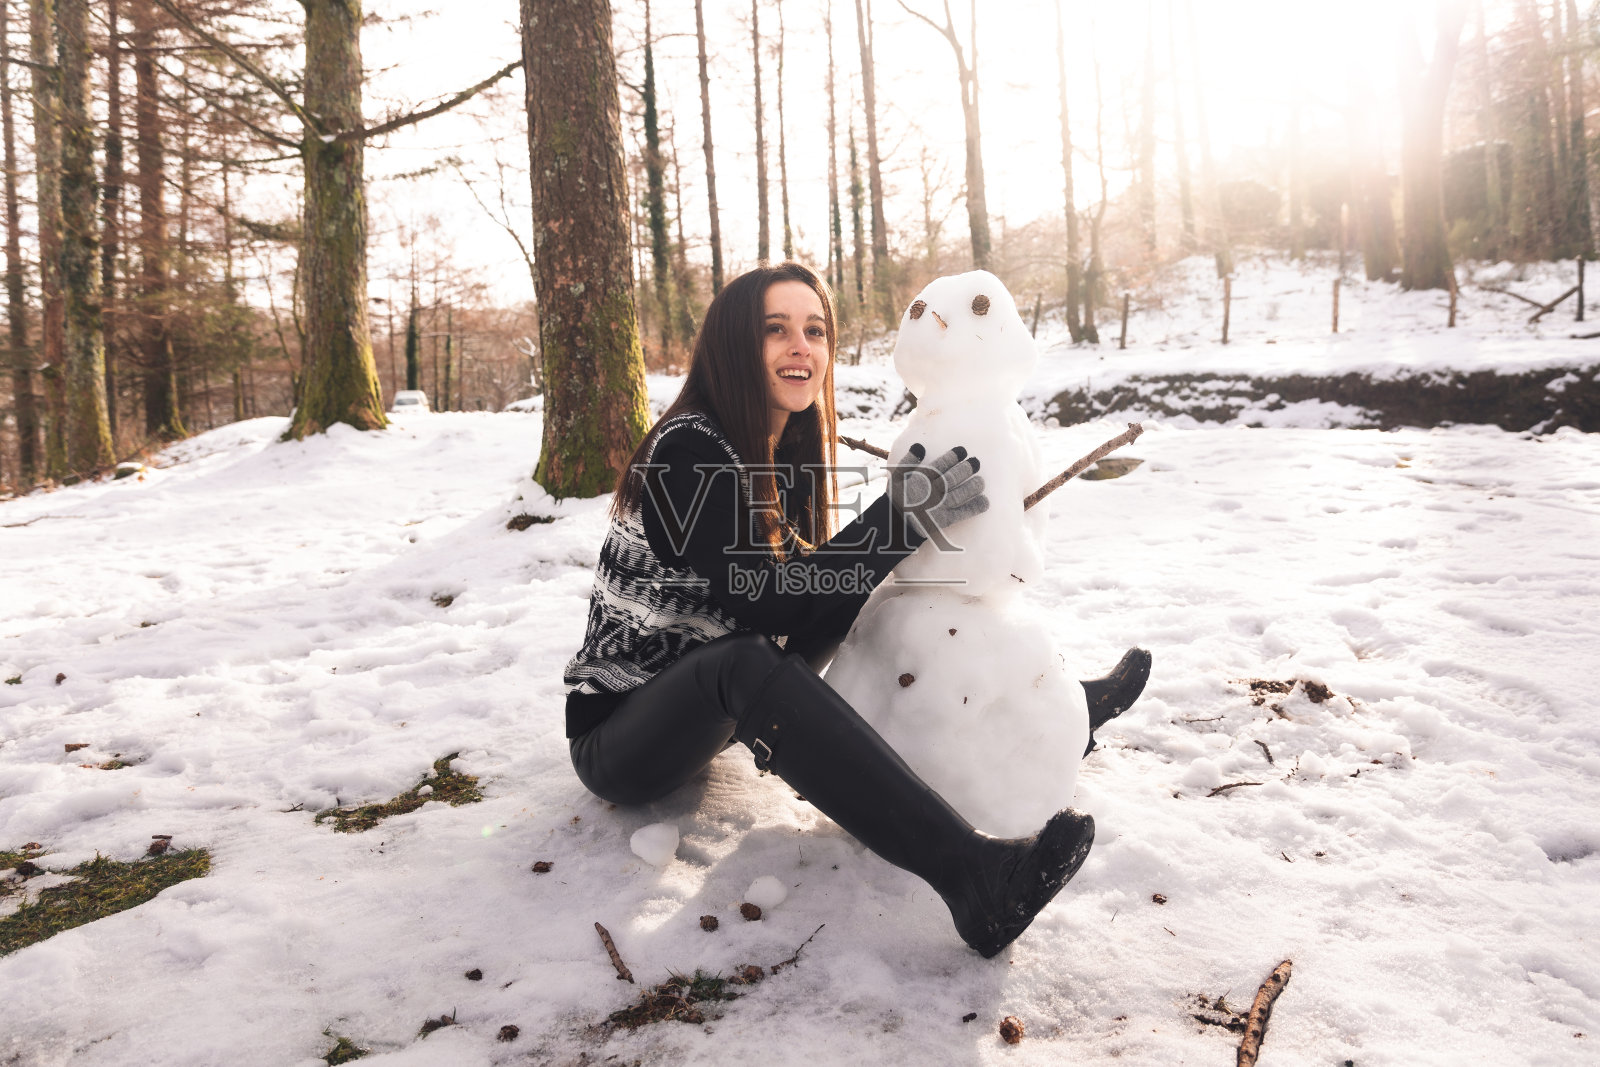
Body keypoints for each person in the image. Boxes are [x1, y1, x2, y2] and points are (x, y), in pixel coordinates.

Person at [563, 262, 1149, 957]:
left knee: (847, 590)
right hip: (620, 739)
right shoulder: (688, 450)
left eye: (815, 330)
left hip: (703, 711)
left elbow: (812, 587)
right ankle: (972, 876)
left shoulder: (777, 446)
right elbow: (766, 600)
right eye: (774, 330)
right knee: (753, 656)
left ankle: (1042, 700)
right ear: (731, 346)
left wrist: (900, 534)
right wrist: (898, 518)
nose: (800, 347)